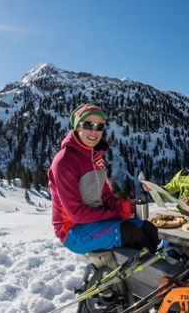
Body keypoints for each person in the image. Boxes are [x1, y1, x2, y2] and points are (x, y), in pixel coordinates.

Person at [48, 103, 159, 255]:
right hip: (73, 231)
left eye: (99, 126)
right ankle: (150, 275)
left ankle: (152, 270)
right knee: (132, 233)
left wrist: (125, 206)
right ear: (77, 127)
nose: (94, 131)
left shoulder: (96, 157)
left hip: (96, 222)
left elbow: (106, 197)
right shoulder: (64, 161)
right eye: (88, 125)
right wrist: (120, 213)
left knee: (147, 228)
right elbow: (76, 214)